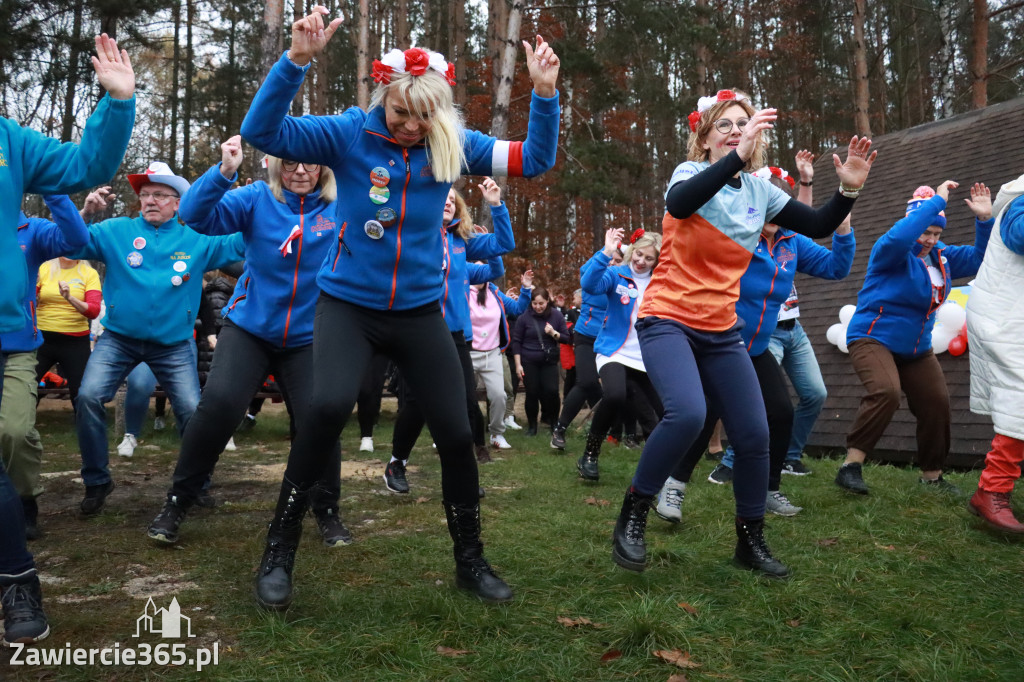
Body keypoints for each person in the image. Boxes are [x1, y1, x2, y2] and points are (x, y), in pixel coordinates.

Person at [239, 6, 560, 609]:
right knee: (327, 406)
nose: (411, 126)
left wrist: (544, 94)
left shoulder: (455, 144)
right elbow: (262, 131)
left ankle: (471, 559)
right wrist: (297, 61)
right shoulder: (346, 133)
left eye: (424, 115)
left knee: (458, 428)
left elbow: (533, 160)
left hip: (418, 314)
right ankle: (279, 548)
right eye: (401, 113)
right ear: (383, 99)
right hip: (346, 306)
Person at [609, 89, 875, 578]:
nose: (735, 131)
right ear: (705, 137)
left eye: (742, 124)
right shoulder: (689, 175)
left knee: (755, 433)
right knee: (688, 413)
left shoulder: (762, 192)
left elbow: (817, 223)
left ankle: (749, 542)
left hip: (720, 330)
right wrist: (733, 157)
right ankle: (634, 512)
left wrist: (849, 189)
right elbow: (681, 202)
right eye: (724, 125)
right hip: (668, 318)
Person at [147, 136, 350, 547]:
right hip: (250, 328)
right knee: (219, 405)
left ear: (323, 168)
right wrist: (224, 171)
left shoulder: (339, 205)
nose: (299, 171)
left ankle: (326, 509)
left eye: (309, 164)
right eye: (290, 162)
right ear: (276, 165)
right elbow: (194, 215)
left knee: (319, 416)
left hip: (309, 336)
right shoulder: (257, 197)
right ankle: (178, 500)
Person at [0, 32, 136, 647]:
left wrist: (115, 103)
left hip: (17, 338)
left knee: (10, 435)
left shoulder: (9, 139)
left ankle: (17, 578)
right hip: (35, 336)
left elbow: (86, 167)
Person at [663, 167, 855, 522]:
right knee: (704, 415)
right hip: (718, 338)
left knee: (780, 412)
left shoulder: (791, 242)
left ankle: (769, 490)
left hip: (756, 346)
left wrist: (842, 230)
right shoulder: (737, 236)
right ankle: (674, 485)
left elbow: (836, 268)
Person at [70, 162, 245, 517]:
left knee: (193, 413)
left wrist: (245, 203)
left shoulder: (196, 238)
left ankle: (197, 484)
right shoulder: (116, 231)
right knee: (88, 396)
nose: (151, 200)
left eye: (161, 195)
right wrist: (85, 212)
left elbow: (240, 243)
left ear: (178, 203)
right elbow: (72, 243)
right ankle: (97, 480)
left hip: (174, 343)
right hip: (118, 338)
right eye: (145, 194)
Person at [836, 181, 992, 495]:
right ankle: (850, 465)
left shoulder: (942, 257)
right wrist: (935, 203)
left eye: (936, 233)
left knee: (936, 402)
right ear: (913, 224)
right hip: (872, 337)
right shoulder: (890, 252)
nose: (929, 239)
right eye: (925, 232)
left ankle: (931, 477)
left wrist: (985, 220)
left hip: (916, 349)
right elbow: (901, 235)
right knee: (886, 391)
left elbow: (979, 258)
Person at [384, 180, 514, 494]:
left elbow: (503, 244)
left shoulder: (461, 241)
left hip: (456, 334)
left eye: (452, 199)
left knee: (467, 403)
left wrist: (496, 205)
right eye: (440, 197)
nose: (447, 202)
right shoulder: (413, 235)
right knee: (417, 403)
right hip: (420, 330)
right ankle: (396, 463)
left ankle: (461, 472)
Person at [1, 197, 90, 541]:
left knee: (15, 431)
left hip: (17, 349)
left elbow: (76, 241)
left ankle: (24, 500)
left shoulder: (32, 229)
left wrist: (54, 191)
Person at [574, 228, 663, 481]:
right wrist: (606, 252)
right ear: (632, 251)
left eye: (649, 258)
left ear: (656, 261)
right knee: (614, 395)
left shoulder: (660, 282)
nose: (641, 261)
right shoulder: (616, 274)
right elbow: (588, 284)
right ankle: (590, 454)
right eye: (639, 254)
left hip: (645, 358)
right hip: (614, 351)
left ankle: (661, 469)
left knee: (660, 415)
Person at [966, 173, 1024, 532]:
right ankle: (991, 490)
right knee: (1021, 397)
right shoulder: (1020, 201)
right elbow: (1019, 236)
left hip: (1012, 314)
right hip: (1004, 318)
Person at [550, 249, 624, 450]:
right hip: (586, 337)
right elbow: (585, 271)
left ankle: (615, 433)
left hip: (611, 340)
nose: (613, 264)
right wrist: (605, 252)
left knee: (614, 389)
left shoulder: (623, 280)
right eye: (611, 260)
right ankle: (560, 429)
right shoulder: (594, 276)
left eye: (618, 261)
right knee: (586, 381)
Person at [469, 269, 533, 450]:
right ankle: (448, 434)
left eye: (484, 272)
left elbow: (518, 309)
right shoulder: (462, 290)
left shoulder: (494, 292)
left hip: (492, 353)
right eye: (476, 271)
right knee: (459, 396)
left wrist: (526, 289)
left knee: (499, 395)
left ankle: (496, 434)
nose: (480, 275)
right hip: (468, 353)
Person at [33, 256, 103, 410]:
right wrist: (33, 293)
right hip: (42, 339)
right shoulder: (44, 268)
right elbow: (27, 299)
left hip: (75, 342)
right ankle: (22, 430)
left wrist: (69, 298)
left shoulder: (89, 273)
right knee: (26, 387)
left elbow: (93, 311)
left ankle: (85, 432)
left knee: (81, 393)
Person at [512, 288, 571, 436]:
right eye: (535, 303)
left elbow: (566, 337)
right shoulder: (524, 318)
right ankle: (532, 426)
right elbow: (517, 342)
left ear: (547, 302)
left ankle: (554, 423)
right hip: (528, 360)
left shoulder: (556, 316)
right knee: (532, 393)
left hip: (549, 361)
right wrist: (518, 365)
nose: (538, 307)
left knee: (551, 391)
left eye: (541, 303)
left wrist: (553, 333)